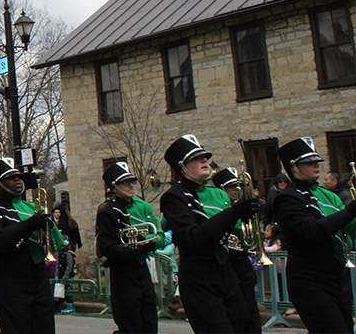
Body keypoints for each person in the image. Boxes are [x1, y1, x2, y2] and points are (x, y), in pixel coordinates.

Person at [159, 134, 258, 333]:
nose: (205, 160)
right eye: (196, 158)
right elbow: (195, 237)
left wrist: (249, 216)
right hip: (199, 278)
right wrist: (234, 212)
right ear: (182, 167)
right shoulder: (173, 197)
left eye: (205, 156)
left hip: (228, 274)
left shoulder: (219, 193)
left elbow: (238, 232)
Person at [271, 136, 356, 333]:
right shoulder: (286, 198)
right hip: (309, 279)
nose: (316, 166)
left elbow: (349, 228)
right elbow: (312, 231)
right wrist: (350, 210)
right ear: (293, 168)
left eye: (317, 161)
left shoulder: (329, 195)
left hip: (337, 275)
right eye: (309, 163)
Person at [0, 158, 64, 334]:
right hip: (11, 281)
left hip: (38, 279)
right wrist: (29, 225)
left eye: (19, 177)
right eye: (11, 178)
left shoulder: (32, 207)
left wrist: (49, 225)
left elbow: (57, 242)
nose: (17, 180)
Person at [96, 162, 168, 334]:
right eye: (124, 182)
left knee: (150, 321)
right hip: (123, 274)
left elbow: (160, 236)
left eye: (132, 181)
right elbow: (109, 249)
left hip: (142, 269)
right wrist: (142, 245)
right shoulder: (108, 212)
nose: (130, 185)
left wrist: (148, 241)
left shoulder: (143, 206)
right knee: (130, 324)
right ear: (114, 187)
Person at [210, 167, 262, 333]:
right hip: (227, 262)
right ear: (222, 190)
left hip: (242, 261)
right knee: (236, 313)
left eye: (240, 186)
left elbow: (250, 237)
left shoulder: (245, 207)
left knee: (251, 312)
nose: (238, 190)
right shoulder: (218, 208)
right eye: (233, 187)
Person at [51, 202, 81, 314]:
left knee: (68, 288)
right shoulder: (66, 220)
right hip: (66, 250)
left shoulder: (65, 221)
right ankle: (60, 304)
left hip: (69, 249)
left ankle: (70, 305)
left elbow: (69, 265)